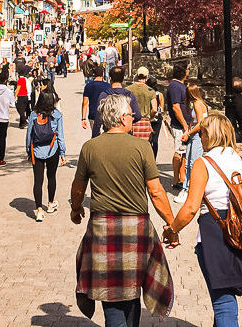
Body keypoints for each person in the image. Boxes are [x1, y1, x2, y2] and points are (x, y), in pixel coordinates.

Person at [165, 113, 242, 326]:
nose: (200, 137)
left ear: (210, 135)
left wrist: (172, 229)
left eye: (202, 133)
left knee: (224, 303)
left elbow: (191, 207)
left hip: (215, 235)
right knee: (226, 298)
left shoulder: (203, 163)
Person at [71, 94, 177, 326]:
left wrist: (75, 210)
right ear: (121, 117)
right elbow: (156, 191)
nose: (134, 118)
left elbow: (78, 188)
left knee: (111, 292)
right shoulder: (142, 147)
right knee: (133, 286)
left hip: (102, 229)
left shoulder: (90, 147)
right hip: (136, 228)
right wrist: (172, 224)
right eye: (131, 114)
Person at [26, 91, 66, 222]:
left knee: (38, 181)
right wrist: (62, 153)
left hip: (36, 151)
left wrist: (28, 151)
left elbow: (29, 135)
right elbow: (60, 136)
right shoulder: (57, 115)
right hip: (52, 150)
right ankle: (50, 204)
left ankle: (38, 210)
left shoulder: (33, 114)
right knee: (51, 177)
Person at [174, 83, 209, 204]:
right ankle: (187, 188)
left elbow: (200, 123)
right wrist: (187, 131)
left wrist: (188, 133)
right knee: (189, 162)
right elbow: (193, 121)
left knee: (192, 163)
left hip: (197, 135)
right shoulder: (197, 104)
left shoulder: (197, 104)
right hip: (194, 134)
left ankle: (189, 190)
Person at [166, 62, 191, 189]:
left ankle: (182, 178)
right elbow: (176, 107)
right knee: (179, 151)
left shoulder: (180, 85)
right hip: (180, 126)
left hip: (185, 125)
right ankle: (176, 180)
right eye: (188, 69)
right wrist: (185, 125)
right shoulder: (175, 86)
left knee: (184, 153)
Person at [80, 64, 112, 138]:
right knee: (106, 136)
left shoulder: (88, 86)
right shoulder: (108, 86)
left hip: (93, 115)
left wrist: (83, 118)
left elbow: (85, 103)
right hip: (106, 115)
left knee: (95, 136)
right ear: (103, 74)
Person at [129, 67, 157, 142]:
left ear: (137, 75)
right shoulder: (151, 91)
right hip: (145, 122)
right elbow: (154, 109)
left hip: (132, 121)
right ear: (147, 76)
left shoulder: (128, 89)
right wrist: (151, 117)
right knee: (145, 146)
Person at [146, 77, 164, 159]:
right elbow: (162, 109)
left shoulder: (147, 94)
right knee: (155, 140)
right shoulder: (160, 94)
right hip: (157, 118)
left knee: (148, 140)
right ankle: (154, 158)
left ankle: (148, 158)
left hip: (148, 117)